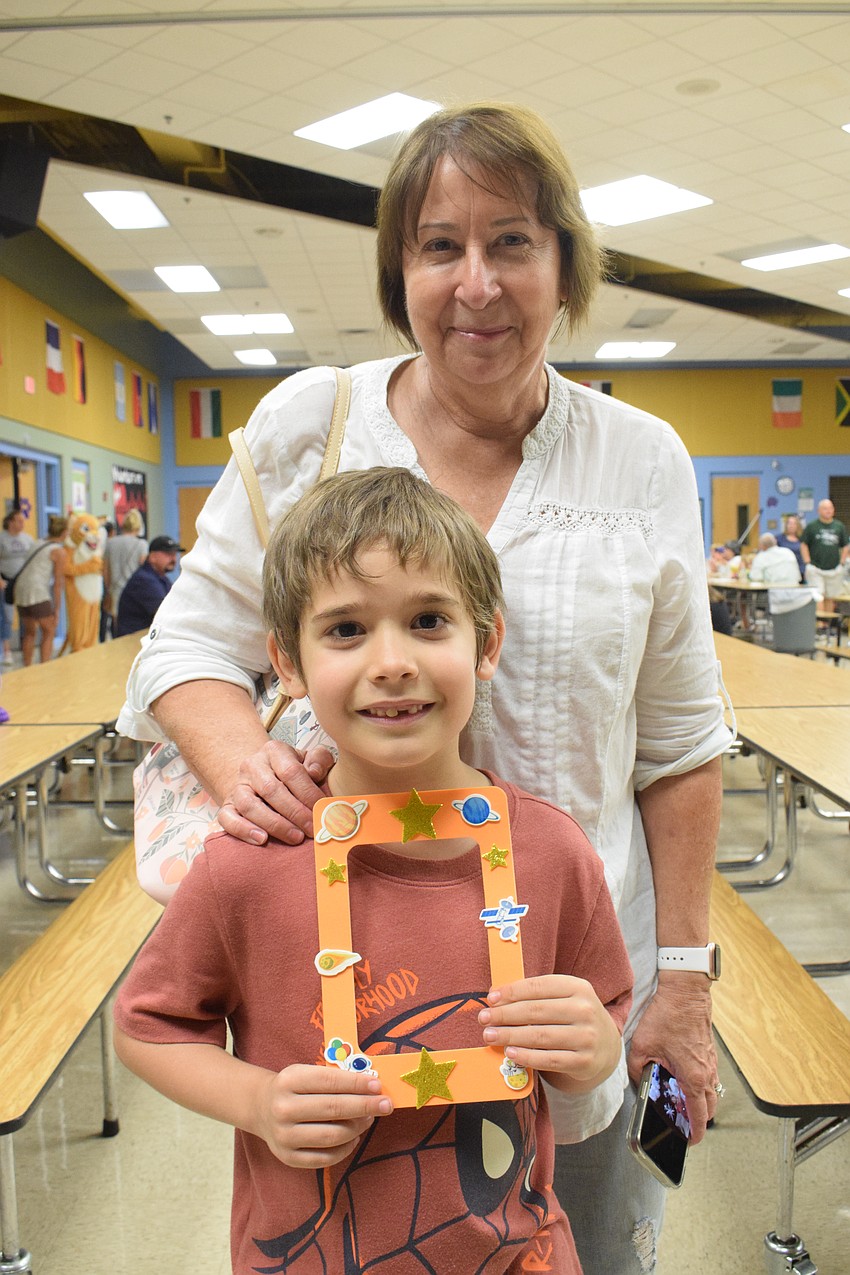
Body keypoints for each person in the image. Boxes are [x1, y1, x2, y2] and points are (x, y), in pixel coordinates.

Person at [119, 101, 731, 1273]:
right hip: (348, 983)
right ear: (400, 268)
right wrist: (255, 777)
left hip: (567, 987)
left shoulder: (641, 457)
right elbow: (186, 649)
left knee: (573, 1238)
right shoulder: (314, 425)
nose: (478, 283)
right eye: (439, 245)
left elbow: (679, 742)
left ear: (564, 264)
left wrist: (682, 990)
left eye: (512, 242)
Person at [115, 468, 634, 1274]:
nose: (391, 662)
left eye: (429, 620)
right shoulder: (248, 864)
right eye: (346, 630)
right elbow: (149, 1025)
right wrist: (256, 1102)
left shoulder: (555, 852)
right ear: (286, 662)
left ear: (486, 642)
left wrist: (595, 1047)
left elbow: (603, 1013)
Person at [14, 515, 68, 665]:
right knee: (49, 630)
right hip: (37, 592)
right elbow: (58, 583)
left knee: (30, 631)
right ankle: (45, 667)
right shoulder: (59, 551)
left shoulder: (36, 543)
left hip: (20, 590)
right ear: (64, 532)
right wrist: (57, 610)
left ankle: (27, 667)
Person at [115, 535, 183, 638]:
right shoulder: (144, 580)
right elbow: (168, 613)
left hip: (146, 637)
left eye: (174, 554)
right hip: (132, 642)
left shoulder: (160, 577)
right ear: (152, 557)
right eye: (168, 554)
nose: (173, 558)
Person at [103, 509, 148, 637]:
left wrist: (109, 589)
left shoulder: (110, 543)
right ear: (139, 526)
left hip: (115, 590)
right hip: (134, 592)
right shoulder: (141, 544)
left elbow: (105, 570)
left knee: (117, 627)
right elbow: (144, 569)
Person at [801, 498, 849, 613]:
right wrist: (807, 562)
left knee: (830, 597)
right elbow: (804, 545)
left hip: (834, 568)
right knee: (818, 596)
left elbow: (845, 546)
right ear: (818, 511)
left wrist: (842, 562)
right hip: (816, 567)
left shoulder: (839, 526)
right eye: (825, 508)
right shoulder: (812, 526)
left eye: (830, 508)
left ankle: (827, 626)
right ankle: (820, 625)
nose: (828, 511)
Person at [0, 509, 34, 665]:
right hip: (6, 581)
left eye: (23, 520)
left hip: (24, 582)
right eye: (19, 521)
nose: (22, 524)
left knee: (28, 614)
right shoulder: (2, 539)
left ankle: (28, 647)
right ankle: (6, 650)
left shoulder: (28, 539)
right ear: (11, 522)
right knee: (7, 616)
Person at [776, 514, 805, 582]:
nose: (791, 526)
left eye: (794, 523)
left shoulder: (802, 539)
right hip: (783, 571)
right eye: (789, 523)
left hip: (800, 570)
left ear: (798, 526)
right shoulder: (779, 539)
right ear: (786, 525)